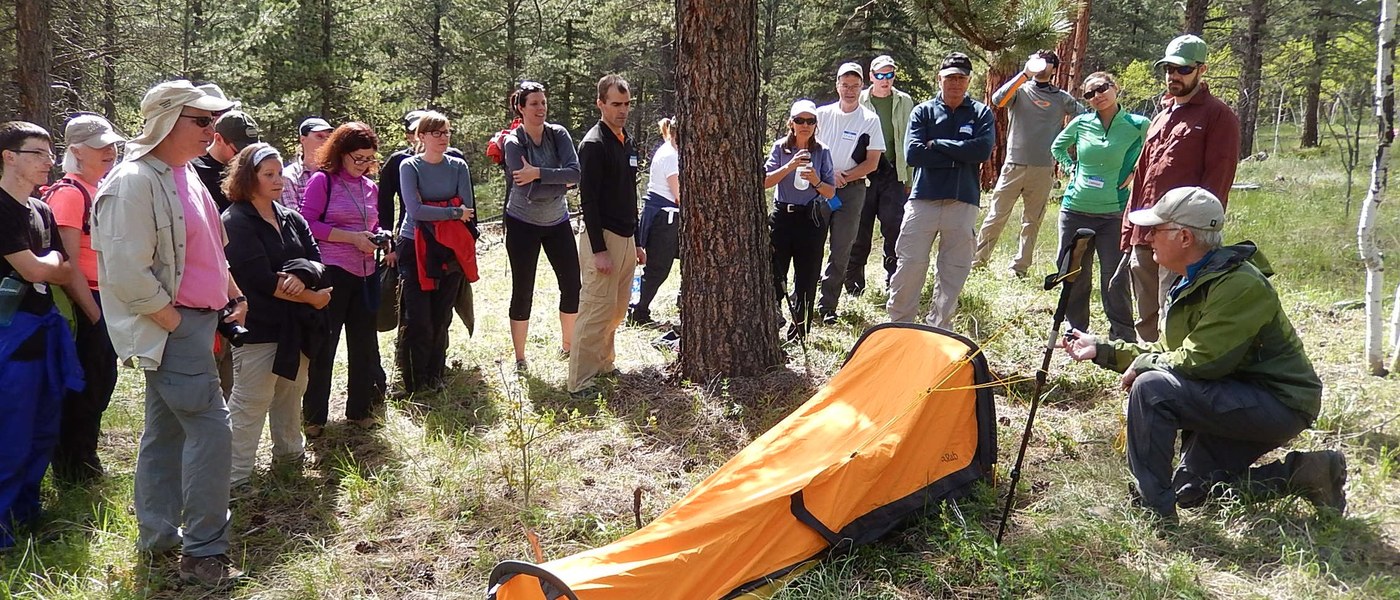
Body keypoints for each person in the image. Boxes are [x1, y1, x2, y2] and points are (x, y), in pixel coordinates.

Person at [1061, 187, 1345, 523]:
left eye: (1157, 229)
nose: (1148, 237)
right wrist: (1104, 350)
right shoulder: (1195, 280)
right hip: (1234, 395)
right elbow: (1173, 354)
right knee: (1193, 490)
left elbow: (1202, 362)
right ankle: (1310, 474)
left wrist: (1142, 366)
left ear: (1184, 237)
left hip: (1277, 403)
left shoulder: (1238, 285)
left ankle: (1152, 510)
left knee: (1151, 389)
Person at [91, 80, 247, 587]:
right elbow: (124, 272)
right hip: (172, 325)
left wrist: (230, 295)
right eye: (201, 121)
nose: (212, 131)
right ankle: (204, 551)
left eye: (213, 122)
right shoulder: (132, 181)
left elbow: (212, 247)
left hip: (195, 322)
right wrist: (175, 323)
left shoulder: (186, 175)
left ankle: (159, 536)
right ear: (167, 119)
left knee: (167, 431)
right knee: (211, 428)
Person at [222, 143, 332, 487]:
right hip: (259, 328)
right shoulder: (235, 221)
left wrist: (301, 276)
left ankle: (289, 458)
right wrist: (312, 297)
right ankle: (235, 477)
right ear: (247, 177)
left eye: (279, 173)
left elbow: (318, 261)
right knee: (250, 403)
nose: (277, 180)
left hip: (295, 327)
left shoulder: (290, 217)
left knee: (291, 392)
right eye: (268, 174)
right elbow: (258, 279)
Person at [1125, 34, 1241, 342]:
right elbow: (1143, 175)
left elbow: (1218, 182)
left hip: (1181, 236)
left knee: (1175, 309)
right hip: (1145, 230)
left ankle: (1175, 376)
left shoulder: (1218, 116)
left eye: (1183, 69)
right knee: (1145, 310)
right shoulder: (1162, 114)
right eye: (1168, 69)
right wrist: (1130, 230)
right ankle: (1145, 371)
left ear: (1201, 70)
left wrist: (1196, 237)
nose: (1173, 76)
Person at [0, 121, 82, 550]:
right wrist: (45, 262)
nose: (49, 161)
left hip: (43, 329)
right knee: (9, 430)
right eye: (38, 152)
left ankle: (26, 513)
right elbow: (35, 270)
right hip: (8, 335)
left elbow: (65, 268)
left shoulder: (42, 209)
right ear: (8, 157)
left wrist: (44, 261)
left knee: (42, 425)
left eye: (50, 152)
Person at [886, 52, 995, 329]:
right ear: (940, 79)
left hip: (963, 200)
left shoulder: (981, 113)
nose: (955, 83)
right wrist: (960, 152)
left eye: (961, 78)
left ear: (968, 80)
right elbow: (913, 154)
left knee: (953, 270)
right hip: (923, 199)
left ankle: (938, 328)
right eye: (950, 78)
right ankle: (900, 325)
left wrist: (937, 144)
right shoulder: (923, 111)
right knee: (910, 265)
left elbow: (982, 151)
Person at [45, 113, 125, 483]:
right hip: (84, 303)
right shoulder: (69, 194)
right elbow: (70, 264)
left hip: (102, 299)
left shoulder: (97, 188)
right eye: (100, 147)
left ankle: (83, 458)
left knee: (101, 381)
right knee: (85, 385)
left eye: (111, 144)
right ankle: (74, 467)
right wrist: (94, 316)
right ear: (76, 151)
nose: (110, 151)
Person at [300, 122, 390, 432]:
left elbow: (372, 224)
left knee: (364, 344)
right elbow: (307, 224)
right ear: (340, 154)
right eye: (358, 158)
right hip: (332, 272)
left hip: (365, 272)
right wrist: (350, 238)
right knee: (325, 345)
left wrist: (379, 236)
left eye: (369, 159)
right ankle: (313, 417)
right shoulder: (322, 181)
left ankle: (360, 410)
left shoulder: (370, 187)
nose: (364, 165)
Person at [1049, 72, 1148, 342]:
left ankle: (1122, 336)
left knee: (1114, 277)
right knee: (1073, 272)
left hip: (1114, 213)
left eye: (1102, 88)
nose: (1097, 96)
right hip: (1075, 209)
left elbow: (1155, 149)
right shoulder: (1081, 123)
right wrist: (1071, 168)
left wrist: (1137, 170)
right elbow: (1058, 147)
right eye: (1089, 93)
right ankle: (1075, 329)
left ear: (1115, 88)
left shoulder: (1138, 124)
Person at [567, 74, 646, 396]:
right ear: (600, 103)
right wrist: (599, 250)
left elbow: (630, 191)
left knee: (616, 308)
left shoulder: (626, 140)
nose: (622, 110)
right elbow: (590, 200)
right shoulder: (594, 144)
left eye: (627, 104)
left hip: (626, 237)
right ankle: (579, 381)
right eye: (616, 104)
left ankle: (604, 363)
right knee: (596, 309)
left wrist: (638, 240)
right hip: (604, 237)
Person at [971, 50, 1081, 278]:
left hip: (1043, 168)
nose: (1042, 65)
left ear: (1054, 68)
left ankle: (1020, 267)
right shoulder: (1020, 91)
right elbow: (998, 100)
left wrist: (1069, 145)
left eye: (1048, 62)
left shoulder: (1061, 98)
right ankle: (978, 262)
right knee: (996, 215)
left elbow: (1085, 117)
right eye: (1037, 60)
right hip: (1014, 164)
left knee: (1032, 221)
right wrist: (1024, 74)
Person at [501, 81, 582, 370]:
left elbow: (576, 173)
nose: (541, 108)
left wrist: (538, 173)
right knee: (523, 289)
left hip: (557, 221)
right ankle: (520, 357)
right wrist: (559, 181)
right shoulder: (513, 141)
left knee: (573, 284)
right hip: (522, 222)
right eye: (534, 103)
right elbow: (528, 189)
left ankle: (568, 347)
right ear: (520, 108)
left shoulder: (558, 134)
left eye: (543, 103)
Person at [396, 111, 475, 394]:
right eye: (437, 133)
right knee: (418, 317)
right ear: (422, 136)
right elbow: (415, 211)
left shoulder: (458, 166)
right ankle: (414, 381)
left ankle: (436, 376)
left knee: (442, 315)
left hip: (450, 248)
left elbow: (468, 208)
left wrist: (439, 208)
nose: (443, 138)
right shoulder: (409, 166)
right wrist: (452, 210)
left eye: (447, 133)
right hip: (414, 245)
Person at [815, 62, 885, 325]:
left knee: (842, 248)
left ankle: (828, 306)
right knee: (811, 246)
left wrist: (844, 176)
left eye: (855, 86)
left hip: (851, 191)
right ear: (837, 86)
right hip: (818, 188)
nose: (850, 90)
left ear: (862, 87)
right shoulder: (821, 115)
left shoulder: (869, 120)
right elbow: (808, 150)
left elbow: (872, 162)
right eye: (845, 85)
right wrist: (826, 175)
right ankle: (804, 299)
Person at [764, 100, 836, 341]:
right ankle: (772, 324)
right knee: (775, 273)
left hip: (810, 219)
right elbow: (765, 181)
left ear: (816, 125)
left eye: (810, 121)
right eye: (799, 120)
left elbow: (830, 192)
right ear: (791, 123)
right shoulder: (779, 148)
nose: (805, 125)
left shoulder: (822, 151)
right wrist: (791, 165)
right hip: (782, 217)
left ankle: (800, 332)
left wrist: (816, 180)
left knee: (807, 276)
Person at [847, 54, 915, 297]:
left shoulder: (904, 101)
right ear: (871, 77)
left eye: (890, 75)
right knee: (859, 230)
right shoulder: (860, 100)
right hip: (865, 171)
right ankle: (854, 285)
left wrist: (908, 178)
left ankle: (893, 282)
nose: (885, 80)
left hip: (894, 174)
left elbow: (909, 140)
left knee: (894, 228)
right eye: (880, 75)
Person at [628, 116, 679, 327]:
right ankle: (638, 310)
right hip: (664, 218)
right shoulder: (670, 156)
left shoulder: (671, 151)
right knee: (657, 268)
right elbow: (680, 195)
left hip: (666, 216)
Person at [193, 108, 261, 211]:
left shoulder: (255, 166)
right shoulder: (195, 169)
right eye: (238, 152)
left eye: (251, 152)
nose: (245, 158)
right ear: (218, 139)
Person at [280, 117, 333, 209]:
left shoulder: (336, 173)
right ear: (303, 139)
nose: (326, 141)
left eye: (328, 137)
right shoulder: (289, 176)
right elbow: (293, 217)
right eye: (319, 136)